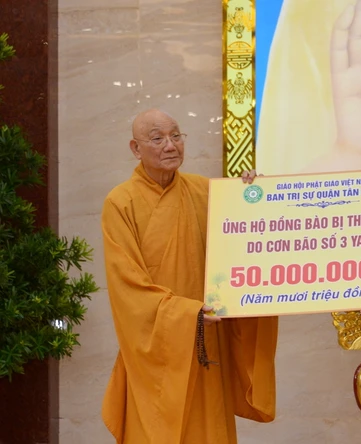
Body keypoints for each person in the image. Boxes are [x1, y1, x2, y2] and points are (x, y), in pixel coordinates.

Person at [101, 108, 278, 444]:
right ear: (136, 148)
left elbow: (247, 243)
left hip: (208, 344)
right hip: (156, 350)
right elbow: (127, 287)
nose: (170, 145)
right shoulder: (120, 203)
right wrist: (187, 314)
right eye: (157, 138)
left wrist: (252, 195)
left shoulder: (206, 191)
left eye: (176, 136)